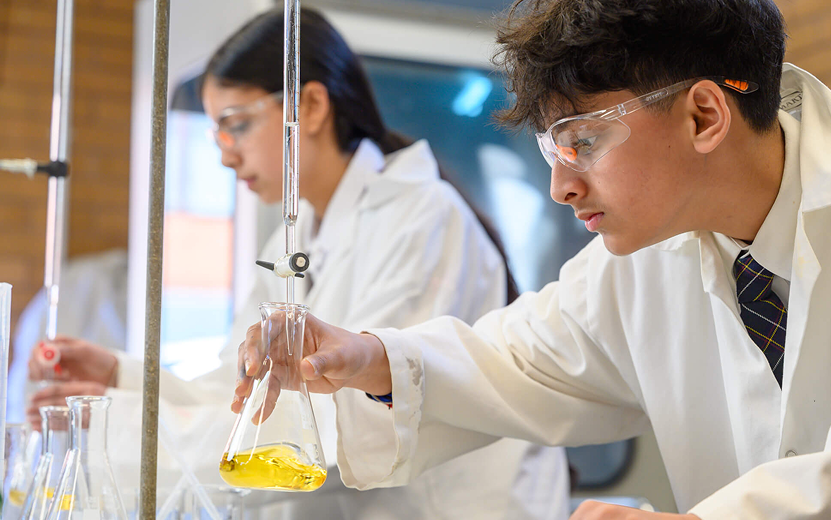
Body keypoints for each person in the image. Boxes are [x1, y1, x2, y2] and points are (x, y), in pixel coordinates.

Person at [233, 0, 831, 518]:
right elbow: (514, 360)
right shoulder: (640, 263)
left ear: (704, 115)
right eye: (552, 150)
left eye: (583, 142)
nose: (560, 187)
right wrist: (366, 357)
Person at [28, 7, 571, 519]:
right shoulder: (296, 239)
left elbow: (339, 425)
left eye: (236, 123)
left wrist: (122, 428)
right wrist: (122, 380)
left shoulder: (421, 216)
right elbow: (238, 387)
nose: (223, 152)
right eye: (216, 130)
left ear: (310, 106)